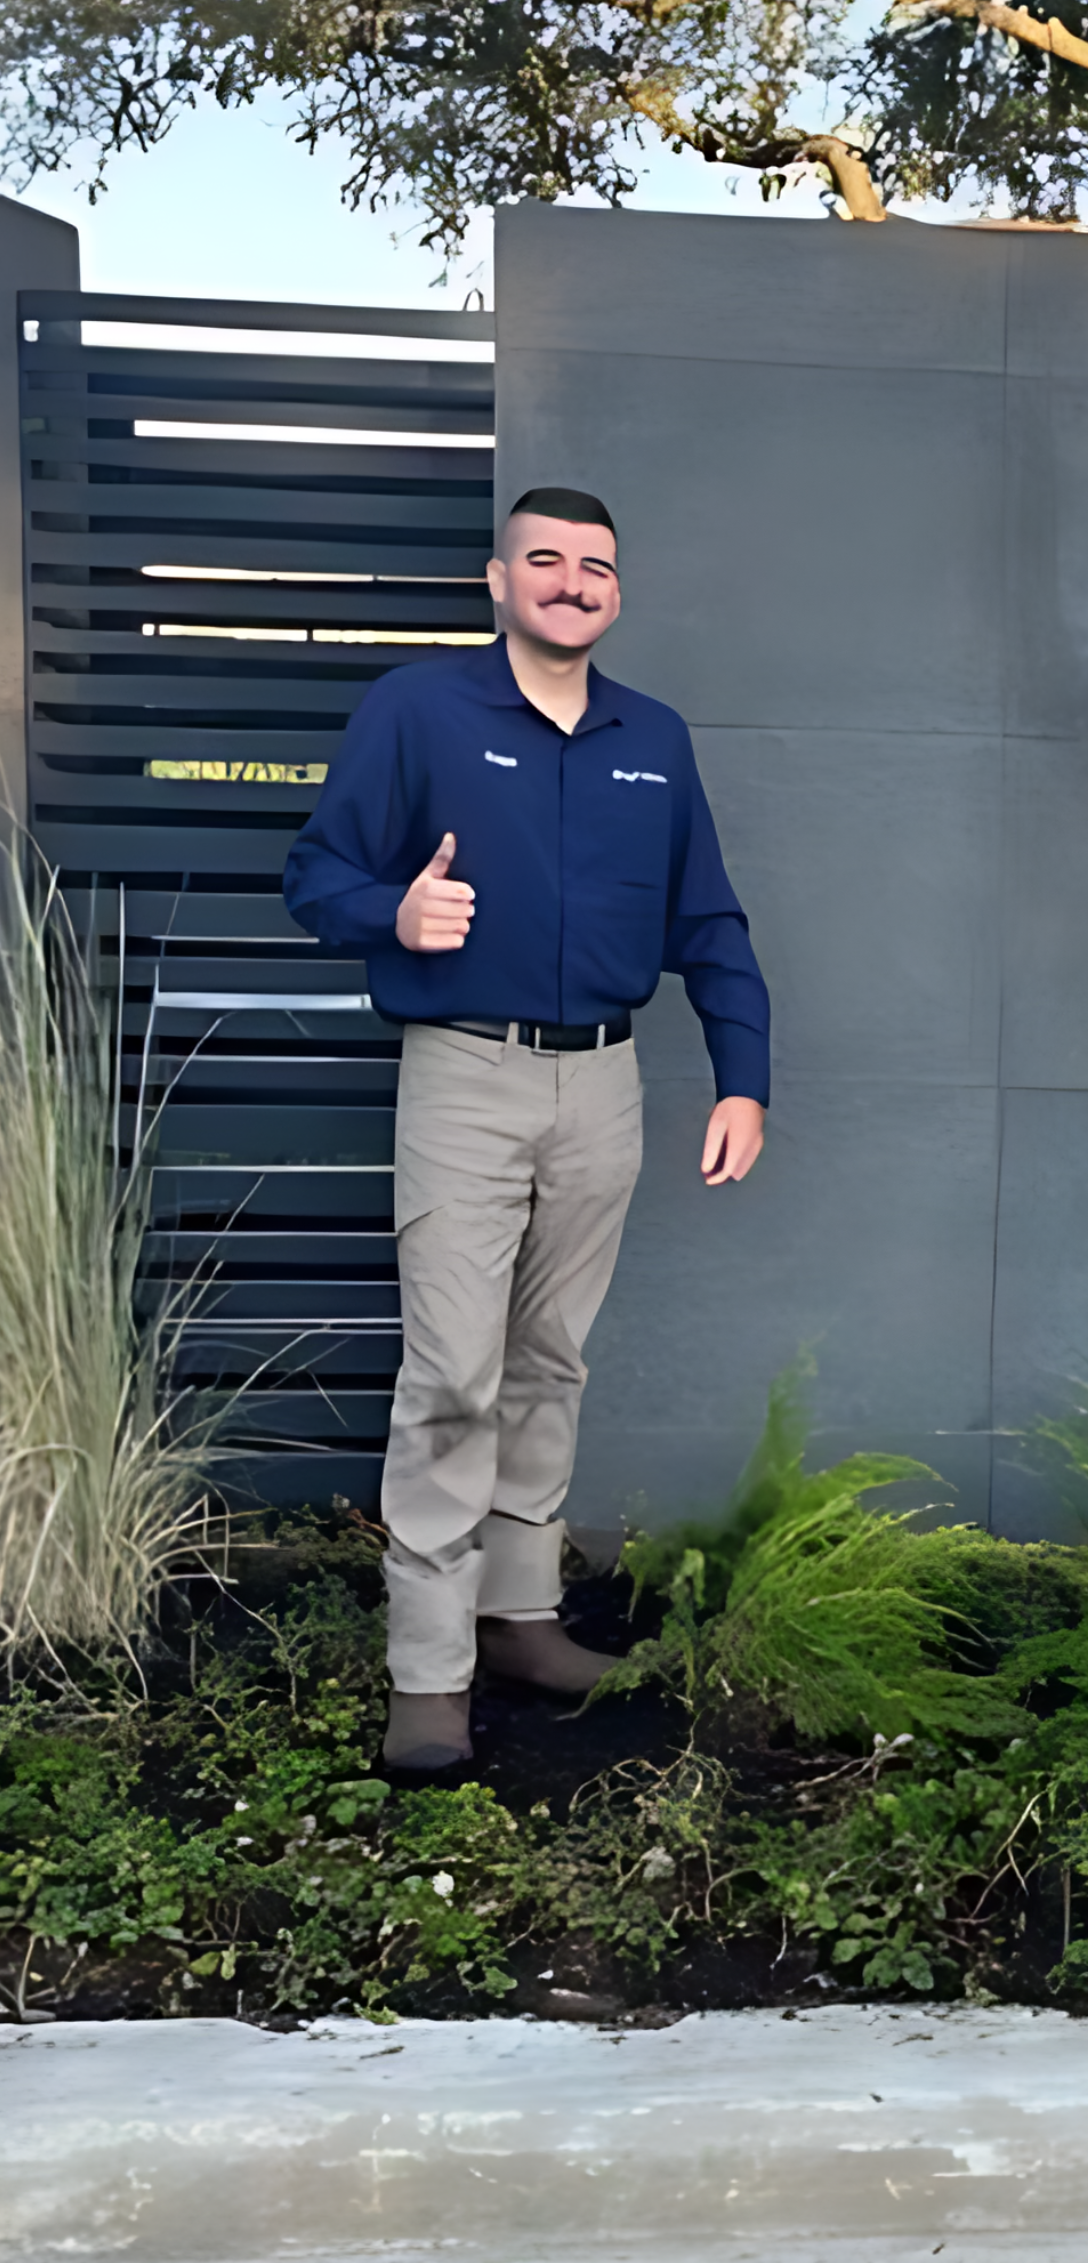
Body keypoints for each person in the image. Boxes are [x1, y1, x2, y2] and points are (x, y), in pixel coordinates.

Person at [282, 487, 771, 1772]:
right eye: (543, 560)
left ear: (618, 591)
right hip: (465, 1078)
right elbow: (314, 875)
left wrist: (743, 1079)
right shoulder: (418, 710)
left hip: (604, 1088)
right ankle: (429, 1674)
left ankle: (520, 1620)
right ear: (496, 582)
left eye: (594, 565)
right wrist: (394, 915)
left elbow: (709, 924)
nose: (570, 581)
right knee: (453, 1374)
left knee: (550, 1365)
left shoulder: (652, 739)